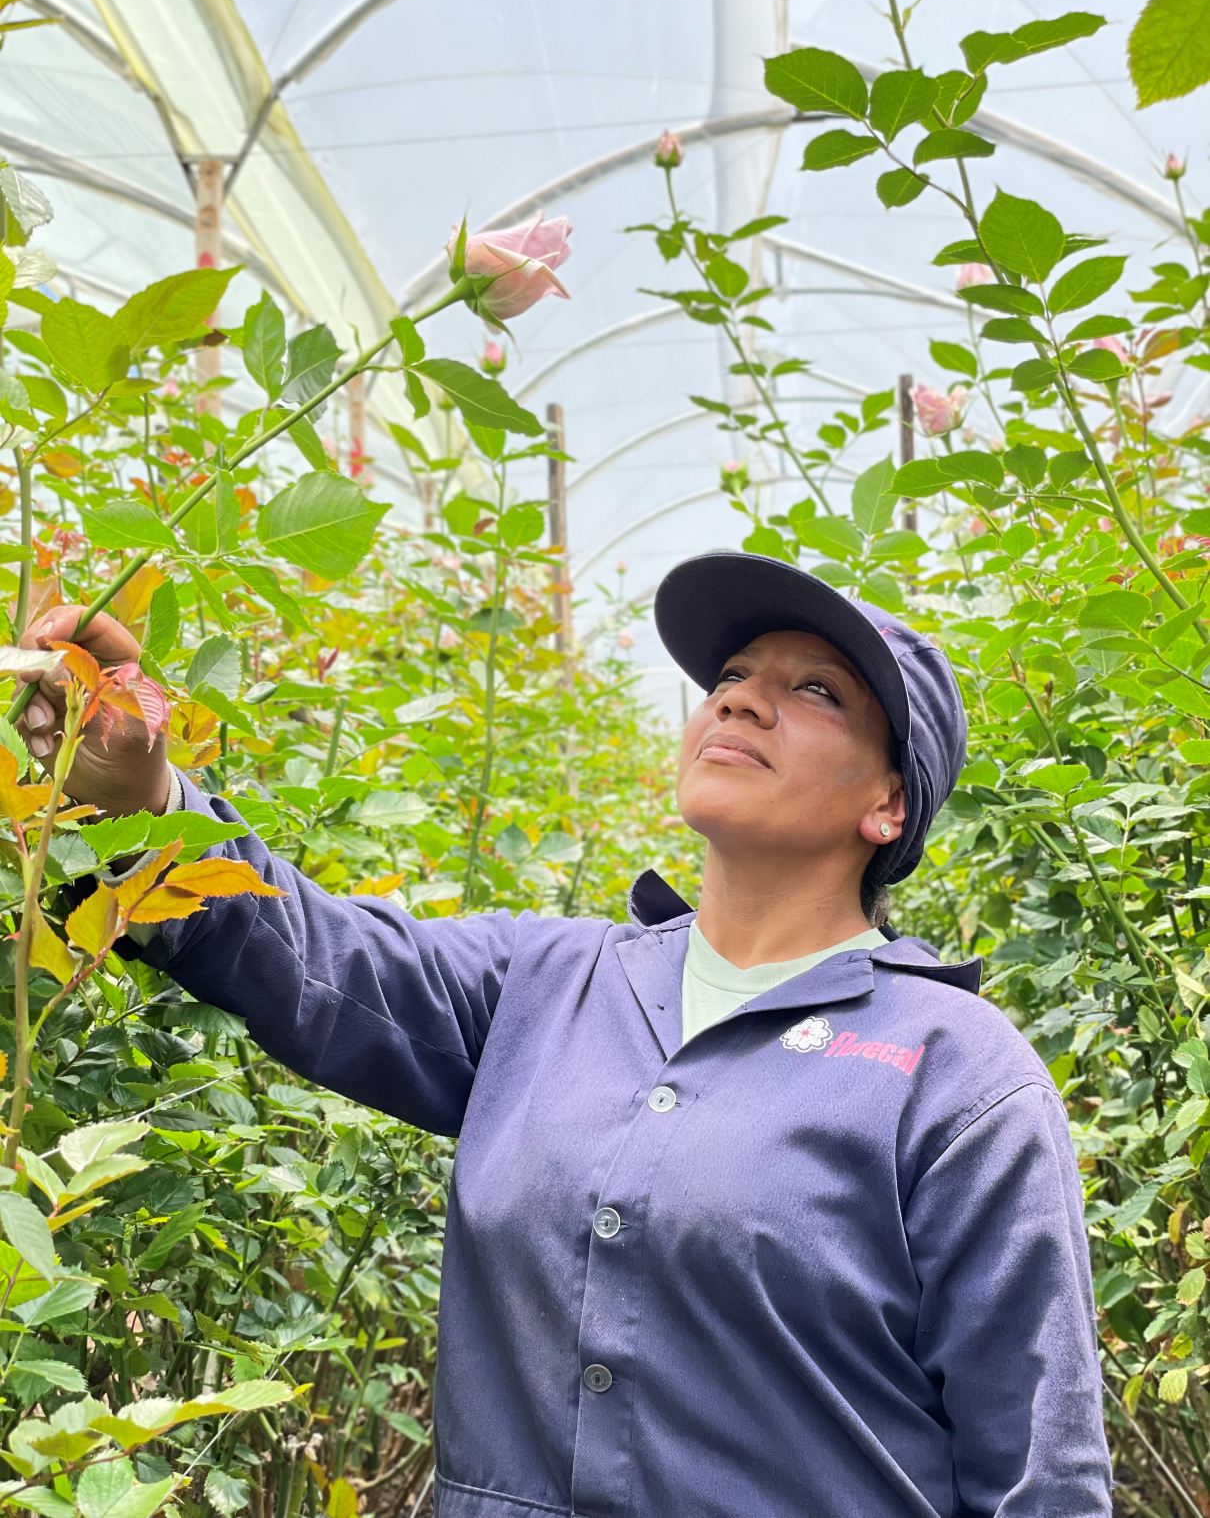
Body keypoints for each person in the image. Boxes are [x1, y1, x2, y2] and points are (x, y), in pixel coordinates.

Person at [16, 552, 1112, 1518]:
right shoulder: (542, 983)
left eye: (813, 689)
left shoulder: (954, 1074)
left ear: (888, 804)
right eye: (728, 679)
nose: (739, 702)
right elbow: (308, 956)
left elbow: (1039, 1473)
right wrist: (144, 784)